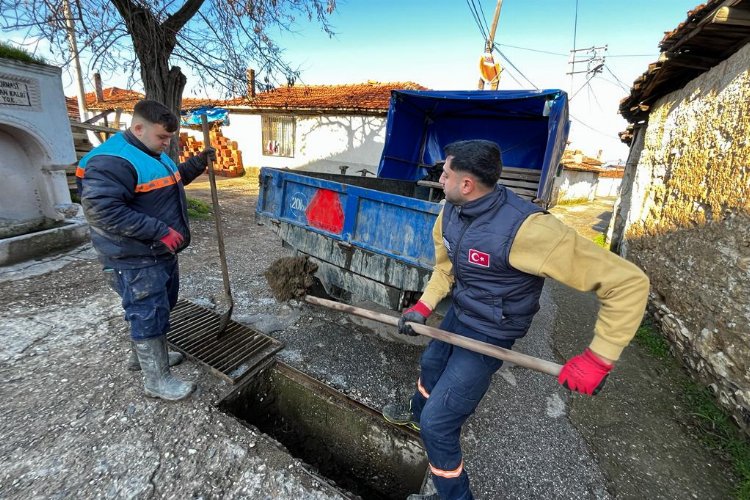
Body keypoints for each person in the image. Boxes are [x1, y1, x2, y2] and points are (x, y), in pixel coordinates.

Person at [382, 140, 649, 500]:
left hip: (493, 330)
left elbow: (627, 283)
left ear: (467, 184)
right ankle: (416, 412)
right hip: (462, 312)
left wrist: (599, 356)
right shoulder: (450, 212)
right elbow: (445, 268)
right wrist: (424, 308)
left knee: (438, 425)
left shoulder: (530, 230)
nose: (439, 178)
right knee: (430, 362)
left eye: (445, 173)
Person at [77, 99, 215, 402]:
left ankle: (144, 358)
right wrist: (161, 231)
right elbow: (103, 211)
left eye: (169, 138)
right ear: (138, 127)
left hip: (156, 252)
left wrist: (196, 164)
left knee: (157, 306)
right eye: (162, 137)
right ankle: (157, 381)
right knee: (147, 310)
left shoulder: (150, 151)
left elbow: (168, 182)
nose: (166, 144)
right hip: (133, 255)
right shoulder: (111, 161)